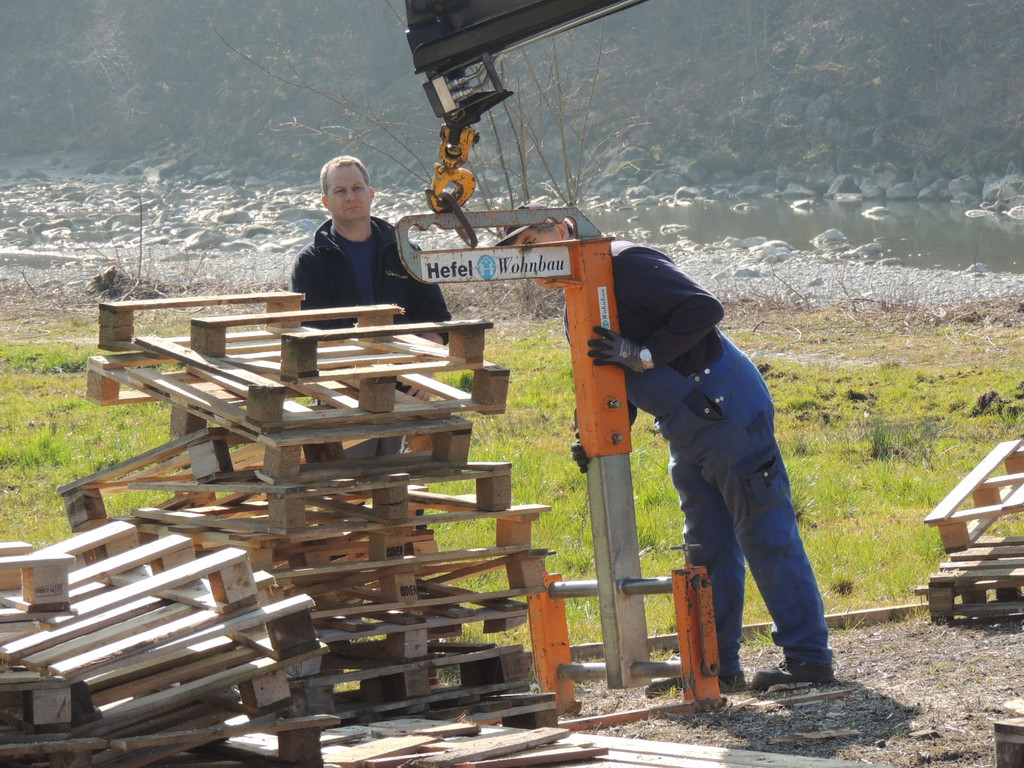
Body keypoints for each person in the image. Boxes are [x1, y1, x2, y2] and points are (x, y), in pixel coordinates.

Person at [495, 214, 834, 693]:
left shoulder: (625, 263)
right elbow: (607, 377)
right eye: (520, 254)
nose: (534, 260)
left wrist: (645, 354)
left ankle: (809, 659)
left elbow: (703, 308)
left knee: (765, 531)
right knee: (705, 545)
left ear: (564, 229)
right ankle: (715, 665)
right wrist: (590, 433)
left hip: (728, 405)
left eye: (535, 242)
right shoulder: (577, 303)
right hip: (684, 423)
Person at [289, 155, 451, 456]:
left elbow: (436, 319)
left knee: (400, 481)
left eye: (357, 188)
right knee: (350, 481)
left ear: (371, 193)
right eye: (340, 191)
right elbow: (309, 336)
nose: (350, 196)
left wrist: (424, 372)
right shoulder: (312, 261)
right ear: (326, 202)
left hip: (406, 390)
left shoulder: (404, 251)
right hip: (342, 396)